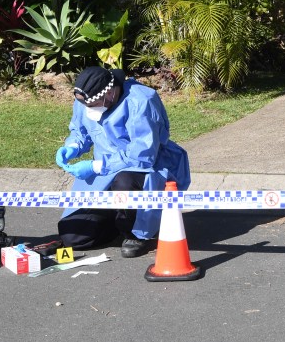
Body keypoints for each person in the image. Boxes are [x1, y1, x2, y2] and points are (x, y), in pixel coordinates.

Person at [56, 66, 191, 258]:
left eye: (92, 105)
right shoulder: (86, 99)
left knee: (124, 180)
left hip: (144, 169)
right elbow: (80, 131)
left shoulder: (142, 100)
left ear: (109, 93)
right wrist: (72, 147)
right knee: (74, 237)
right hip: (104, 172)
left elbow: (142, 154)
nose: (88, 109)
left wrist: (97, 166)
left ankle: (136, 233)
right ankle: (118, 221)